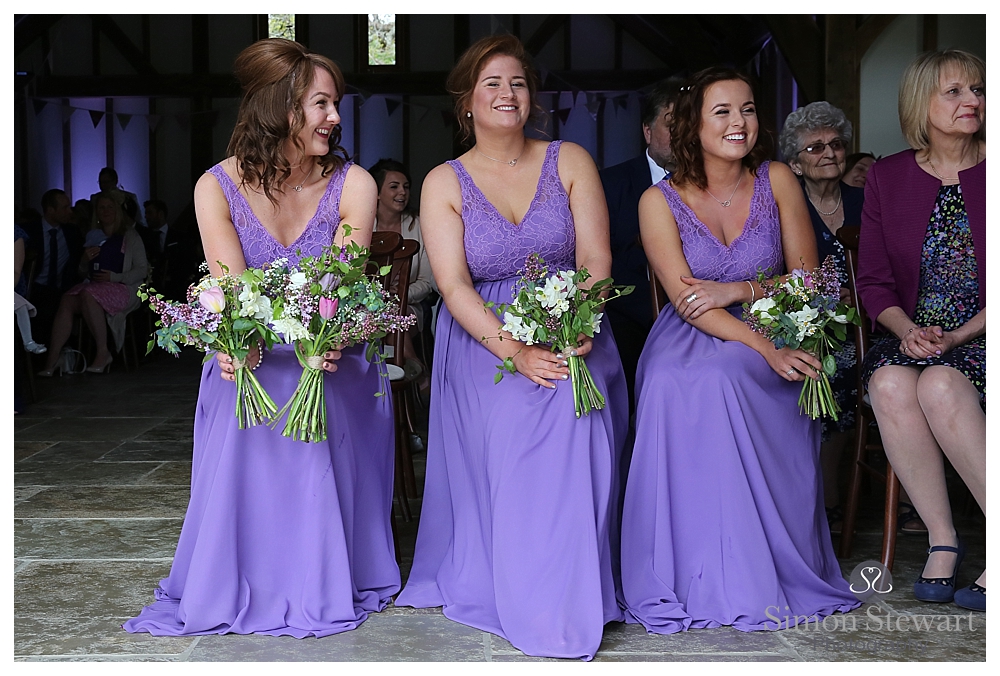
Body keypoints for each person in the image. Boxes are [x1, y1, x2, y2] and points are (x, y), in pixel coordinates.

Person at [123, 38, 398, 637]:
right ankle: (242, 570)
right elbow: (231, 289)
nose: (335, 117)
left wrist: (328, 334)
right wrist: (230, 339)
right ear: (282, 108)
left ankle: (318, 572)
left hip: (332, 351)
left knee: (317, 381)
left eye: (336, 104)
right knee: (244, 376)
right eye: (322, 104)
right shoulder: (213, 187)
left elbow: (343, 288)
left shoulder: (354, 185)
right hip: (251, 350)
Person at [394, 34, 628, 660]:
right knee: (525, 413)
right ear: (465, 100)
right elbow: (451, 285)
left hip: (574, 320)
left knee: (572, 411)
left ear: (533, 98)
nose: (507, 93)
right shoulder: (444, 180)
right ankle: (526, 586)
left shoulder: (570, 159)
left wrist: (581, 319)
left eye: (518, 83)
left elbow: (596, 257)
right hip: (483, 341)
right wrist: (515, 351)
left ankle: (572, 588)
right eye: (492, 83)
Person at [620, 67, 860, 634]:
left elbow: (806, 277)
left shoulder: (777, 178)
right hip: (691, 334)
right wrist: (758, 344)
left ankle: (762, 564)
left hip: (779, 319)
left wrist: (741, 293)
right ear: (691, 125)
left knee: (729, 376)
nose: (739, 122)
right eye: (722, 111)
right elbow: (685, 301)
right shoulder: (658, 200)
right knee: (682, 381)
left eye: (748, 109)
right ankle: (695, 568)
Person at [857, 49, 985, 611]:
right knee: (888, 382)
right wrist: (906, 330)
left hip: (982, 335)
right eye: (955, 91)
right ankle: (941, 537)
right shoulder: (887, 177)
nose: (973, 101)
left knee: (938, 383)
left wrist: (958, 337)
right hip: (918, 335)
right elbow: (874, 281)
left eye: (977, 89)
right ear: (921, 102)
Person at [779, 101, 866, 535]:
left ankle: (836, 499)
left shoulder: (868, 201)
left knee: (855, 363)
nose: (829, 153)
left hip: (867, 324)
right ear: (794, 164)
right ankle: (821, 499)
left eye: (835, 144)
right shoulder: (784, 207)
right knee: (821, 366)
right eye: (814, 148)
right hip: (804, 324)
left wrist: (860, 296)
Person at [599, 77, 685, 414]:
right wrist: (662, 311)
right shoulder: (610, 183)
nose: (683, 132)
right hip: (630, 315)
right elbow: (602, 261)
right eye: (672, 122)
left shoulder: (716, 187)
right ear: (647, 131)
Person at [38, 189, 148, 376]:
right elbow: (83, 273)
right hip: (94, 286)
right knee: (67, 299)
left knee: (89, 295)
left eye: (109, 207)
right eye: (101, 208)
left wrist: (113, 277)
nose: (105, 211)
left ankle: (103, 352)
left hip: (123, 288)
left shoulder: (131, 236)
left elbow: (142, 270)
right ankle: (53, 358)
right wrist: (83, 260)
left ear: (117, 211)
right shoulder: (92, 236)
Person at [367, 158, 438, 370]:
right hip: (367, 308)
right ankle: (418, 378)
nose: (403, 192)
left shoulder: (420, 225)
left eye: (406, 187)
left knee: (394, 318)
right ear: (377, 192)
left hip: (410, 305)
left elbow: (427, 282)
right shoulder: (363, 224)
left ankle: (404, 384)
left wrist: (394, 298)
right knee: (385, 321)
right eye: (394, 186)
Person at [24, 189, 84, 344]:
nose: (69, 211)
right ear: (51, 210)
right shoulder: (29, 231)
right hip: (34, 287)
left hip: (62, 288)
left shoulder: (72, 232)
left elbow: (78, 261)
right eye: (64, 208)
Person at [138, 199, 199, 301]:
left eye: (150, 213)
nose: (146, 217)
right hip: (152, 290)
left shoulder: (180, 237)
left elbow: (187, 261)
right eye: (146, 213)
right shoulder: (144, 238)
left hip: (176, 289)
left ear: (160, 214)